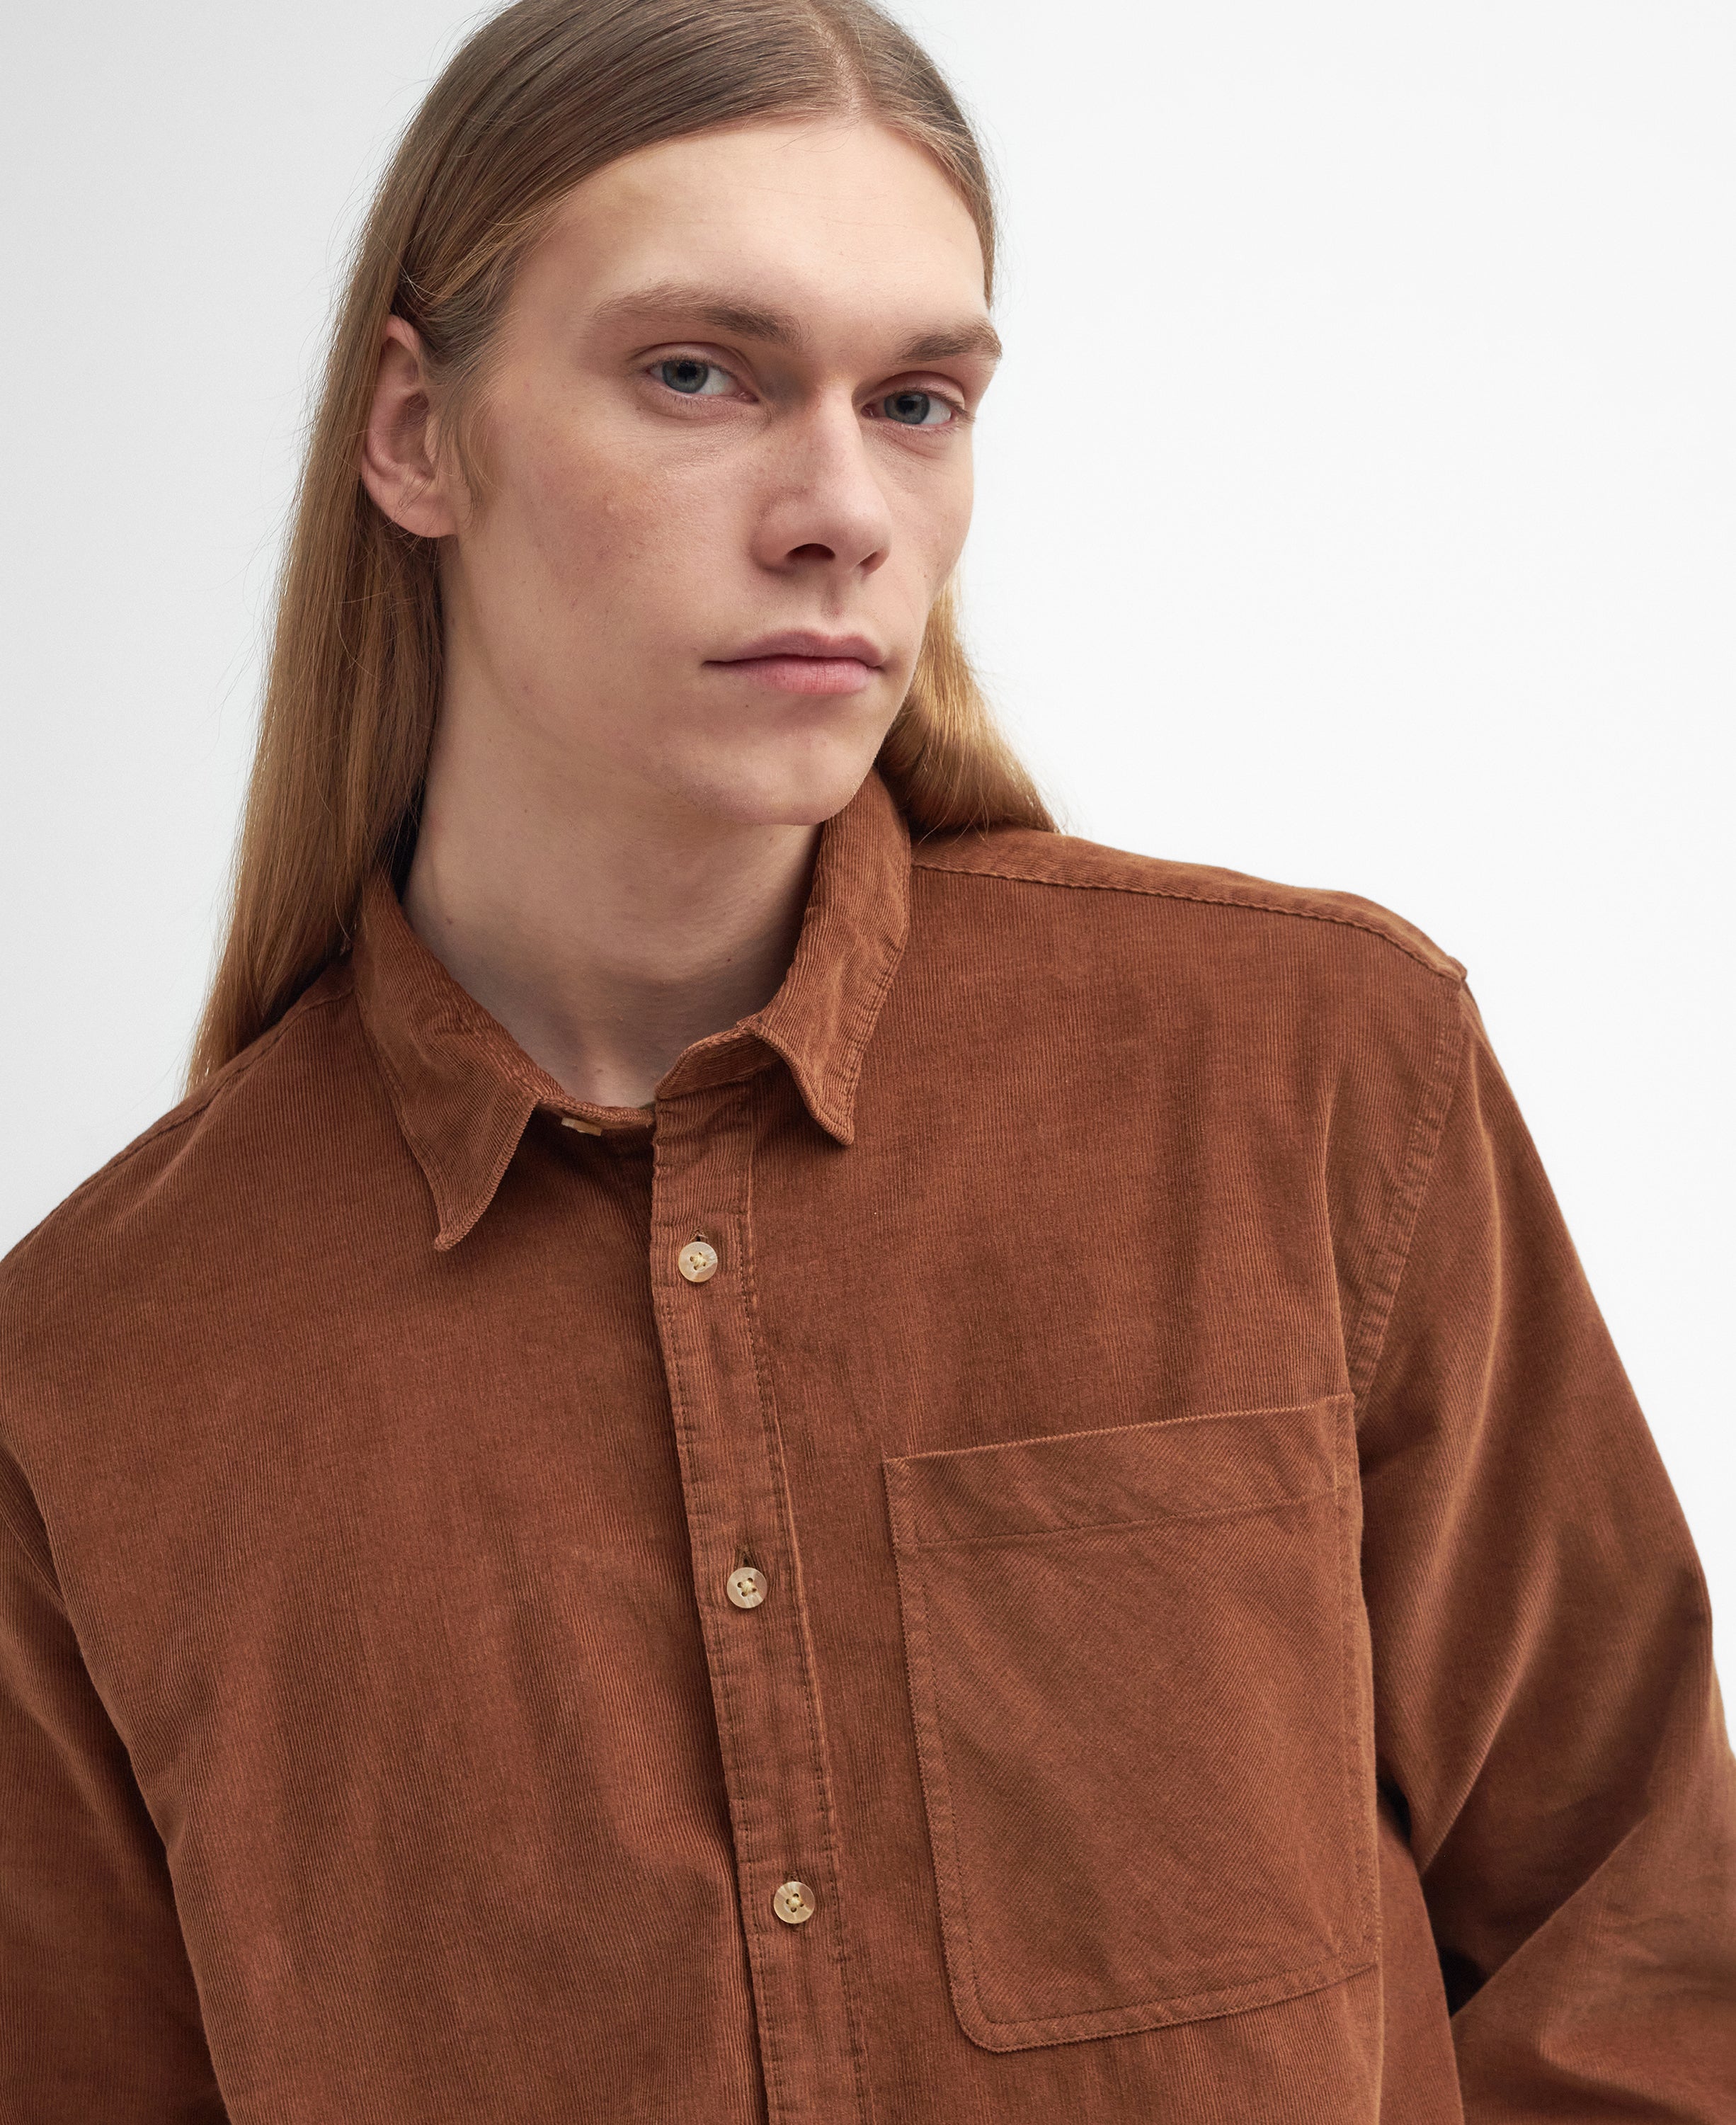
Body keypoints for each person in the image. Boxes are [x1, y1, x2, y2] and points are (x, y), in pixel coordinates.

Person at [1, 0, 1730, 2115]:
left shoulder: (1311, 1076)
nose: (839, 509)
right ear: (415, 433)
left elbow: (1633, 1945)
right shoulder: (92, 1376)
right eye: (696, 374)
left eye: (915, 399)